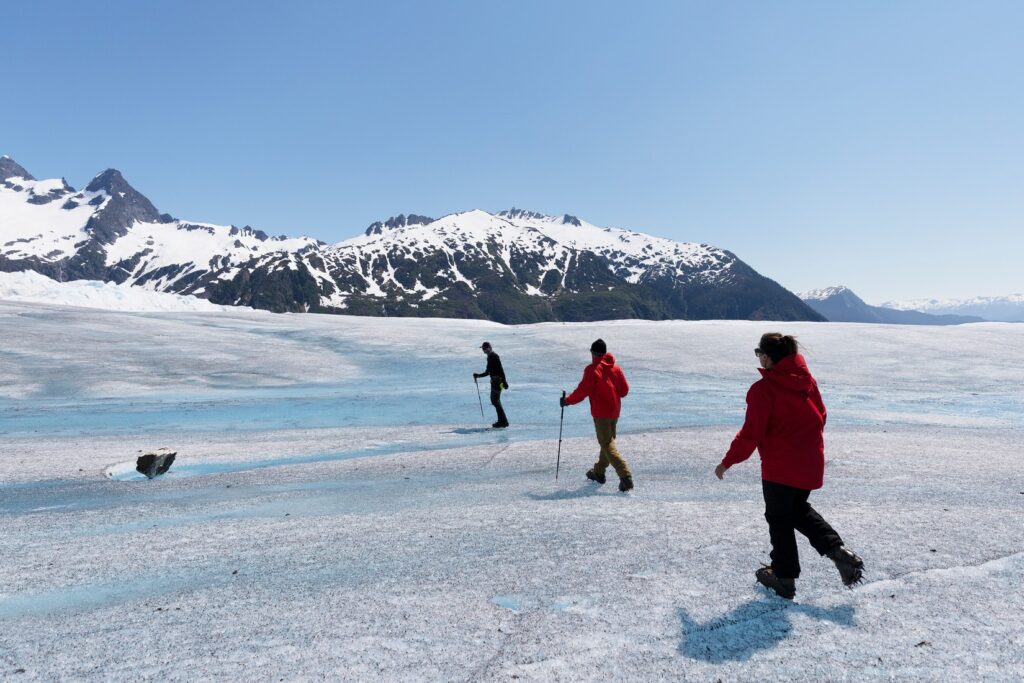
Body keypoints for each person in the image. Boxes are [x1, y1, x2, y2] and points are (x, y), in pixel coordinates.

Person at [715, 333, 863, 600]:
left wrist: (727, 462)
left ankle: (784, 579)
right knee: (797, 510)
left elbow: (751, 434)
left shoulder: (764, 390)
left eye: (760, 352)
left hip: (780, 468)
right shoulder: (807, 382)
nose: (758, 357)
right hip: (809, 464)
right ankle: (839, 552)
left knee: (779, 519)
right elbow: (821, 416)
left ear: (768, 357)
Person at [561, 338, 633, 492]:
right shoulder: (616, 368)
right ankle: (598, 473)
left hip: (601, 414)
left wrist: (567, 401)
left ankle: (625, 475)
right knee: (607, 443)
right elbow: (624, 391)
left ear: (593, 353)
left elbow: (582, 391)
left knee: (607, 444)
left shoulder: (592, 370)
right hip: (614, 411)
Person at [473, 342, 509, 428]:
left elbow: (500, 369)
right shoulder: (490, 357)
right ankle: (502, 421)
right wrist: (478, 375)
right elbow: (488, 372)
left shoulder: (494, 356)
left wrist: (504, 381)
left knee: (495, 401)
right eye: (483, 349)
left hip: (497, 382)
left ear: (489, 347)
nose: (484, 350)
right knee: (495, 401)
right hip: (495, 382)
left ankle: (503, 422)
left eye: (485, 348)